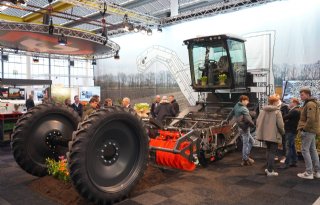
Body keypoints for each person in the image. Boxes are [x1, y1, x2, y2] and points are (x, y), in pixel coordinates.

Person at [256, 94, 285, 177]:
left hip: (265, 135)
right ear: (275, 102)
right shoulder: (277, 112)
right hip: (273, 135)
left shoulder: (263, 110)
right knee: (272, 153)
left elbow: (257, 122)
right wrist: (283, 133)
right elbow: (281, 125)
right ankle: (270, 170)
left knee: (268, 151)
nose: (279, 102)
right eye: (278, 100)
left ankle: (268, 168)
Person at [297, 87, 320, 179]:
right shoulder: (312, 103)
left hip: (308, 131)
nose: (301, 96)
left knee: (305, 150)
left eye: (302, 94)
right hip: (312, 130)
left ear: (307, 94)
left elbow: (310, 119)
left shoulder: (310, 104)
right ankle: (317, 171)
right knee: (312, 150)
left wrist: (304, 129)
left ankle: (309, 172)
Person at [225, 95, 255, 166]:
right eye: (247, 100)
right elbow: (248, 120)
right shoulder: (244, 109)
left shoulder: (236, 105)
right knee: (246, 144)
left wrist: (227, 120)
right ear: (243, 100)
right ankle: (245, 159)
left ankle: (246, 157)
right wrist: (254, 125)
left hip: (240, 128)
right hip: (245, 128)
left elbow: (231, 113)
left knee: (252, 141)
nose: (248, 102)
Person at [279, 98, 300, 169]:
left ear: (294, 103)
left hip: (290, 131)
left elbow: (284, 117)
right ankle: (294, 161)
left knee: (288, 147)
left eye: (290, 102)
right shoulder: (295, 110)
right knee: (292, 146)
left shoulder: (294, 111)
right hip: (292, 131)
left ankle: (286, 163)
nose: (289, 104)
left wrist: (284, 114)